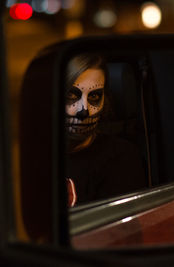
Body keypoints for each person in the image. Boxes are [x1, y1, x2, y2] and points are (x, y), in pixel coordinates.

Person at [65, 54, 147, 207]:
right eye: (71, 95)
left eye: (94, 96)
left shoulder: (120, 158)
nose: (84, 110)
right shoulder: (32, 153)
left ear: (105, 101)